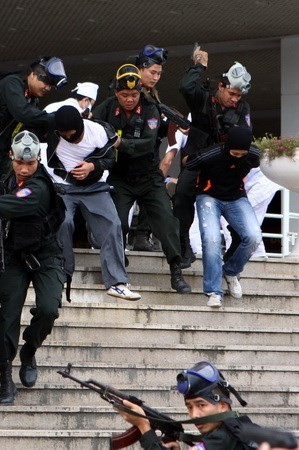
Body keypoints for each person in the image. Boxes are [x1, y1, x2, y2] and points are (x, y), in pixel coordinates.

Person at [0, 131, 66, 405]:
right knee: (7, 317)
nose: (26, 169)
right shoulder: (1, 184)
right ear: (11, 158)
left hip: (46, 255)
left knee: (48, 309)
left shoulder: (39, 186)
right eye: (20, 163)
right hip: (14, 257)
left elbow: (15, 204)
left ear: (39, 160)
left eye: (31, 163)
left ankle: (30, 349)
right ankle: (6, 379)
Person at [93, 64, 191, 294]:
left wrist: (120, 143)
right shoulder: (106, 109)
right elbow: (91, 128)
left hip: (148, 176)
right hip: (120, 176)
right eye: (124, 95)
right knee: (117, 223)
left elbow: (147, 143)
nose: (129, 99)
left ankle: (176, 270)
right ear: (116, 93)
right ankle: (117, 264)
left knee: (166, 223)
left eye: (134, 95)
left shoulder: (150, 109)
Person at [45, 104, 141, 301]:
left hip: (94, 186)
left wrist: (92, 166)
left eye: (71, 134)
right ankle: (62, 273)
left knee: (112, 224)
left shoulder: (97, 131)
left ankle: (117, 283)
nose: (67, 137)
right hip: (62, 186)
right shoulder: (54, 131)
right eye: (62, 133)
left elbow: (110, 159)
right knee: (63, 221)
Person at [174, 47, 252, 269]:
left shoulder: (241, 108)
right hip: (196, 160)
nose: (235, 99)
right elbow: (185, 86)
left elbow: (246, 136)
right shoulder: (203, 98)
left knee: (237, 206)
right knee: (181, 197)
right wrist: (199, 65)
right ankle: (183, 248)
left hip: (224, 165)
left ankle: (233, 252)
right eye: (232, 94)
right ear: (221, 86)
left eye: (239, 95)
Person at [116, 360, 299, 450]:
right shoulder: (239, 426)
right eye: (190, 407)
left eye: (201, 405)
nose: (195, 415)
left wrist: (143, 426)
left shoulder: (220, 438)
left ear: (223, 406)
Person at [0, 56, 67, 190]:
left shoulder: (32, 100)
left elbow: (32, 127)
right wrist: (57, 118)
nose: (48, 88)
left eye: (51, 85)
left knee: (8, 191)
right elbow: (23, 113)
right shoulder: (12, 83)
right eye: (46, 82)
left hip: (1, 152)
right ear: (32, 75)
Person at [186, 127, 262, 308]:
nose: (238, 157)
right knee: (211, 239)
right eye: (234, 153)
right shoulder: (212, 154)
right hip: (209, 196)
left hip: (236, 197)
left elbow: (257, 161)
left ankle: (230, 271)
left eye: (242, 154)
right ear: (227, 147)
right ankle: (213, 291)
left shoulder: (253, 155)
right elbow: (189, 163)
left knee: (253, 236)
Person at [130, 45, 170, 252]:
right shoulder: (127, 86)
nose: (155, 77)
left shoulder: (152, 95)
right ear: (140, 68)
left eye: (159, 74)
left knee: (152, 196)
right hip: (128, 153)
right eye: (152, 72)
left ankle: (143, 236)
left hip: (149, 155)